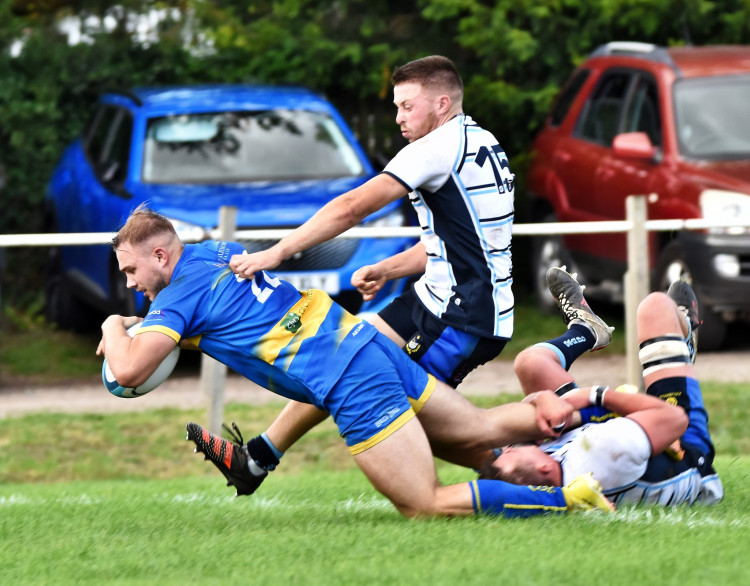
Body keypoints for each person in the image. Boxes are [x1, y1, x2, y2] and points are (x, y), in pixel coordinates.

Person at [97, 205, 614, 519]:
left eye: (131, 269)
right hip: (361, 341)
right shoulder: (216, 253)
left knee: (424, 504)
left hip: (348, 378)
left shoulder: (176, 299)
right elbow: (213, 320)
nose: (129, 283)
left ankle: (569, 501)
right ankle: (602, 408)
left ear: (162, 257)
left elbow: (129, 372)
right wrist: (141, 326)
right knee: (481, 428)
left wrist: (113, 327)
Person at [221, 55, 589, 490]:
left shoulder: (436, 149)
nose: (398, 118)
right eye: (396, 107)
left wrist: (277, 252)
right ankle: (258, 458)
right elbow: (452, 246)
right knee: (341, 351)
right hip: (433, 300)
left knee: (428, 417)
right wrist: (386, 267)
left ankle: (552, 455)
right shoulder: (480, 139)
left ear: (441, 103)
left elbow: (352, 206)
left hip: (460, 317)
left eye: (407, 106)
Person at [480, 267, 723, 506]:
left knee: (531, 363)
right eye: (510, 454)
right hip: (682, 441)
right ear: (543, 468)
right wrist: (593, 396)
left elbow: (521, 422)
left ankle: (586, 329)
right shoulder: (599, 458)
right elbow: (673, 418)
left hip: (619, 432)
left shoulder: (543, 470)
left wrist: (539, 400)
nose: (507, 450)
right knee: (656, 308)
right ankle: (682, 343)